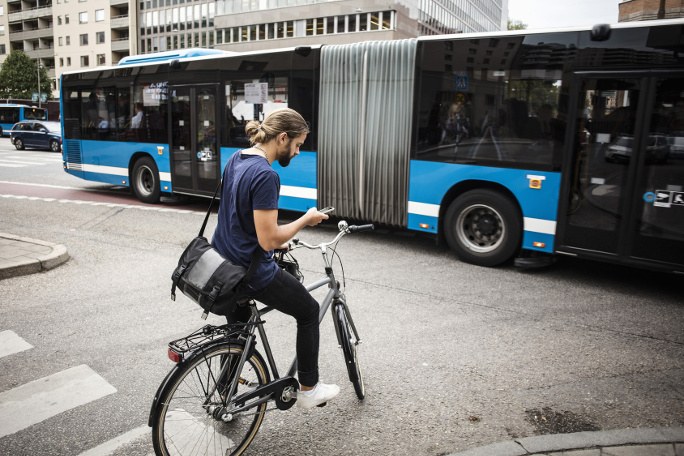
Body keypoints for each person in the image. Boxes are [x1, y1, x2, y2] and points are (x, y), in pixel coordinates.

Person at [212, 108, 340, 409]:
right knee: (308, 311)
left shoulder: (236, 159)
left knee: (239, 335)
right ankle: (309, 388)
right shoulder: (266, 175)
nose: (296, 152)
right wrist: (305, 219)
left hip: (224, 265)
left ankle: (225, 396)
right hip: (250, 271)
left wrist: (272, 242)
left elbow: (235, 216)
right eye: (296, 145)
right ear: (282, 137)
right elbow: (268, 238)